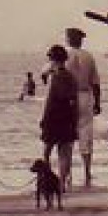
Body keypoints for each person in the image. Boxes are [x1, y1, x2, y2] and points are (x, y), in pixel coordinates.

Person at [63, 27, 102, 188]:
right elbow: (96, 83)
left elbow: (49, 75)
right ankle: (87, 171)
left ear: (67, 39)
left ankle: (67, 173)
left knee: (67, 136)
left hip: (68, 97)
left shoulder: (64, 55)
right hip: (85, 96)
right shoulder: (88, 56)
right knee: (86, 134)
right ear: (80, 40)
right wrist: (98, 103)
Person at [40, 45, 79, 191]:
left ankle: (47, 180)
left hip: (53, 116)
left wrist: (44, 120)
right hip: (68, 116)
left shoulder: (54, 78)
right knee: (65, 153)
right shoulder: (71, 77)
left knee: (46, 151)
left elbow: (49, 102)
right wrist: (74, 120)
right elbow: (74, 101)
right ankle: (62, 183)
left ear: (52, 60)